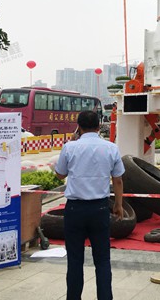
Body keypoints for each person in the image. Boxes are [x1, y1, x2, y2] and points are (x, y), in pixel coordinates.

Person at [55, 110, 124, 300]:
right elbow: (118, 180)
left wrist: (71, 142)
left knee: (75, 260)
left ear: (78, 127)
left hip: (74, 209)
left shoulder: (69, 147)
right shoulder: (111, 148)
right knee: (102, 260)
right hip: (99, 209)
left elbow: (60, 174)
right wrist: (118, 205)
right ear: (99, 126)